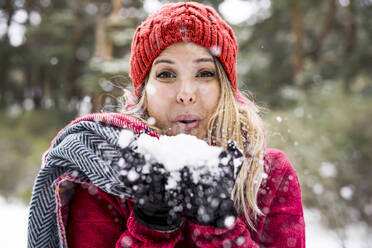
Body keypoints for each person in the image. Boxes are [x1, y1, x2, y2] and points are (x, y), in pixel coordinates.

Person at [27, 2, 305, 248]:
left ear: (225, 88)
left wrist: (220, 230)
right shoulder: (102, 173)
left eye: (205, 73)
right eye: (166, 74)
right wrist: (150, 230)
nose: (185, 92)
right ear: (143, 91)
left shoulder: (269, 174)